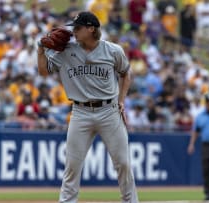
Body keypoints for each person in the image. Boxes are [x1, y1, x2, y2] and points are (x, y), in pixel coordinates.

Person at [37, 11, 139, 203]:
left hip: (109, 111)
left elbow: (126, 73)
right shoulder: (66, 51)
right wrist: (40, 49)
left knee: (123, 163)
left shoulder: (113, 50)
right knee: (72, 166)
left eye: (77, 27)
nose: (73, 31)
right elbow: (43, 71)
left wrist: (121, 100)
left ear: (91, 29)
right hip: (80, 112)